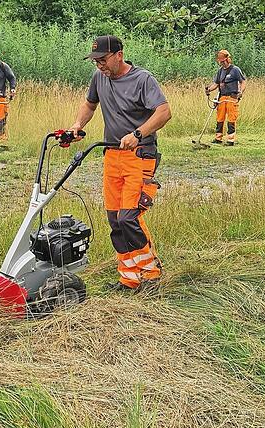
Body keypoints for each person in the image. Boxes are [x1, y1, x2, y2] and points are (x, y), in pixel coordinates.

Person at [68, 35, 172, 292]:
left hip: (140, 156)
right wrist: (78, 126)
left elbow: (164, 112)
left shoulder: (142, 79)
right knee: (115, 220)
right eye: (95, 61)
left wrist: (138, 134)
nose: (99, 65)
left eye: (103, 60)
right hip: (112, 155)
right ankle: (129, 278)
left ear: (119, 55)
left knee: (129, 217)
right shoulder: (99, 78)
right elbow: (89, 105)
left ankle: (150, 275)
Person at [205, 50, 246, 146]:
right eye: (220, 62)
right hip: (222, 97)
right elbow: (216, 84)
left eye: (223, 61)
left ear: (228, 59)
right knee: (220, 118)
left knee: (231, 118)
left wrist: (241, 92)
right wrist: (209, 90)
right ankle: (218, 138)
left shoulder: (235, 70)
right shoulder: (220, 71)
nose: (222, 63)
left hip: (232, 97)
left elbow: (243, 82)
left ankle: (230, 140)